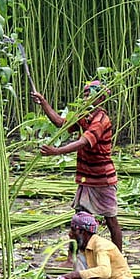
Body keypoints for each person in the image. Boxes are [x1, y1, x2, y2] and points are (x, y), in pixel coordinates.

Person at [31, 80, 123, 251]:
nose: (87, 98)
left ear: (101, 98)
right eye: (85, 95)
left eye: (91, 95)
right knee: (79, 218)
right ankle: (73, 257)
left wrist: (56, 151)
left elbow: (83, 142)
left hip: (102, 179)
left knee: (111, 220)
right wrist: (43, 103)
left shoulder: (101, 119)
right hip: (86, 176)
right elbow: (61, 123)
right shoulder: (84, 116)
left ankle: (119, 256)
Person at [67, 212, 138, 279]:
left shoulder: (101, 246)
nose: (70, 234)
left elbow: (105, 272)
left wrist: (74, 275)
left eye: (74, 230)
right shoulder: (83, 248)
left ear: (83, 232)